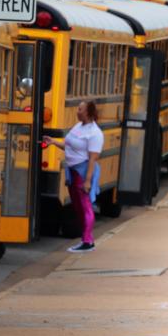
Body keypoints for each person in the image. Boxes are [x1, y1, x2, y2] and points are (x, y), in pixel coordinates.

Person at [42, 100, 103, 253]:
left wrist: (88, 181)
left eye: (80, 109)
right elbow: (69, 145)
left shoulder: (95, 133)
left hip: (83, 172)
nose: (77, 111)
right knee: (78, 207)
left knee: (85, 206)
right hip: (73, 171)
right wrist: (54, 142)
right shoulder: (79, 127)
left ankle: (87, 241)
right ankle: (87, 238)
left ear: (88, 113)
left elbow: (92, 159)